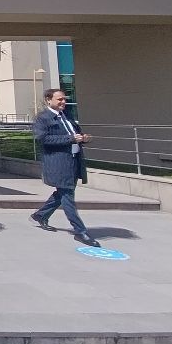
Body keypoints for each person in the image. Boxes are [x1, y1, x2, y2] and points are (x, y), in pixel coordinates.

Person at [30, 89, 100, 247]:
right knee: (67, 195)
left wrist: (83, 138)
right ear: (49, 100)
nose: (63, 102)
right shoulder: (43, 118)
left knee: (63, 193)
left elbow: (75, 133)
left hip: (74, 161)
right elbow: (42, 139)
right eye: (59, 99)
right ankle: (80, 231)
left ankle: (40, 215)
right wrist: (69, 138)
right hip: (58, 163)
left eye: (64, 99)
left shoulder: (67, 115)